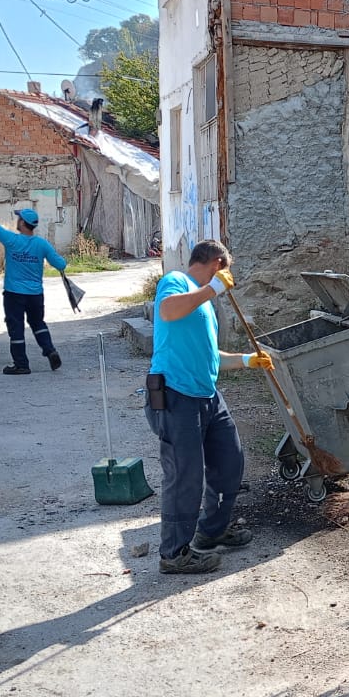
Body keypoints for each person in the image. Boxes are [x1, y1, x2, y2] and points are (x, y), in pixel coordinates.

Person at [146, 239, 270, 575]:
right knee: (185, 476)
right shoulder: (176, 281)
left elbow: (210, 357)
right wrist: (213, 288)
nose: (228, 279)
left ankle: (212, 531)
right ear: (217, 263)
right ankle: (174, 553)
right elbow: (167, 311)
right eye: (226, 270)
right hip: (176, 395)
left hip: (208, 395)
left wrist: (246, 360)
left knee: (230, 462)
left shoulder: (204, 304)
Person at [0, 200, 67, 375]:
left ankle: (21, 364)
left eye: (19, 219)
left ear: (23, 223)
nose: (17, 221)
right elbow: (60, 264)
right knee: (38, 323)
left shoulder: (11, 240)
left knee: (16, 327)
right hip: (35, 294)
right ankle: (50, 351)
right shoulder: (42, 244)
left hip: (14, 294)